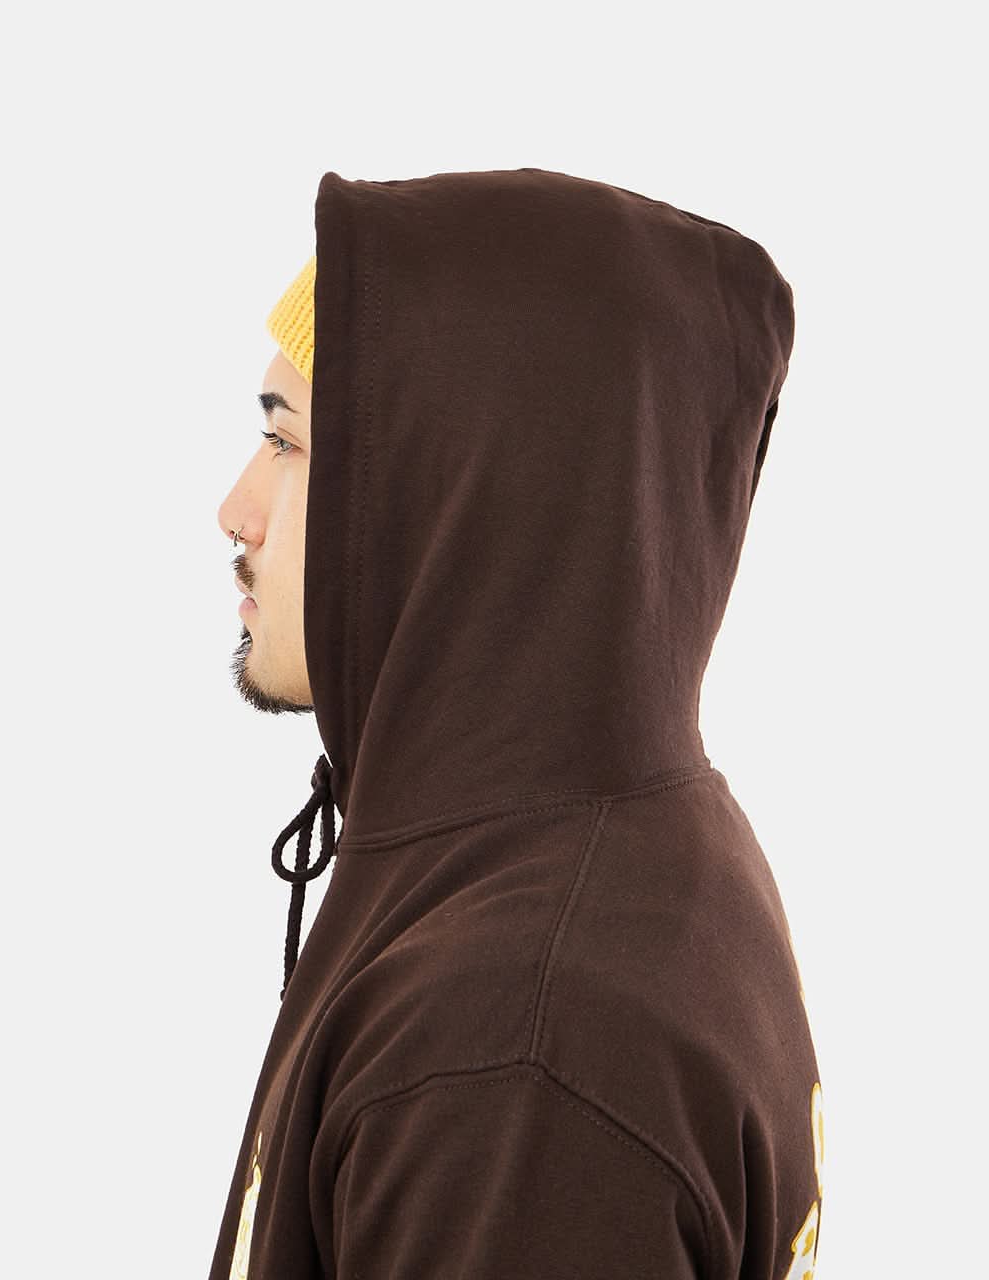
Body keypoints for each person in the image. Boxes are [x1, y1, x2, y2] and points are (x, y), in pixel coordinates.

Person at [210, 166, 824, 1280]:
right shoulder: (621, 834)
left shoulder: (512, 1060)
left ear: (453, 486)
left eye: (288, 443)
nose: (236, 509)